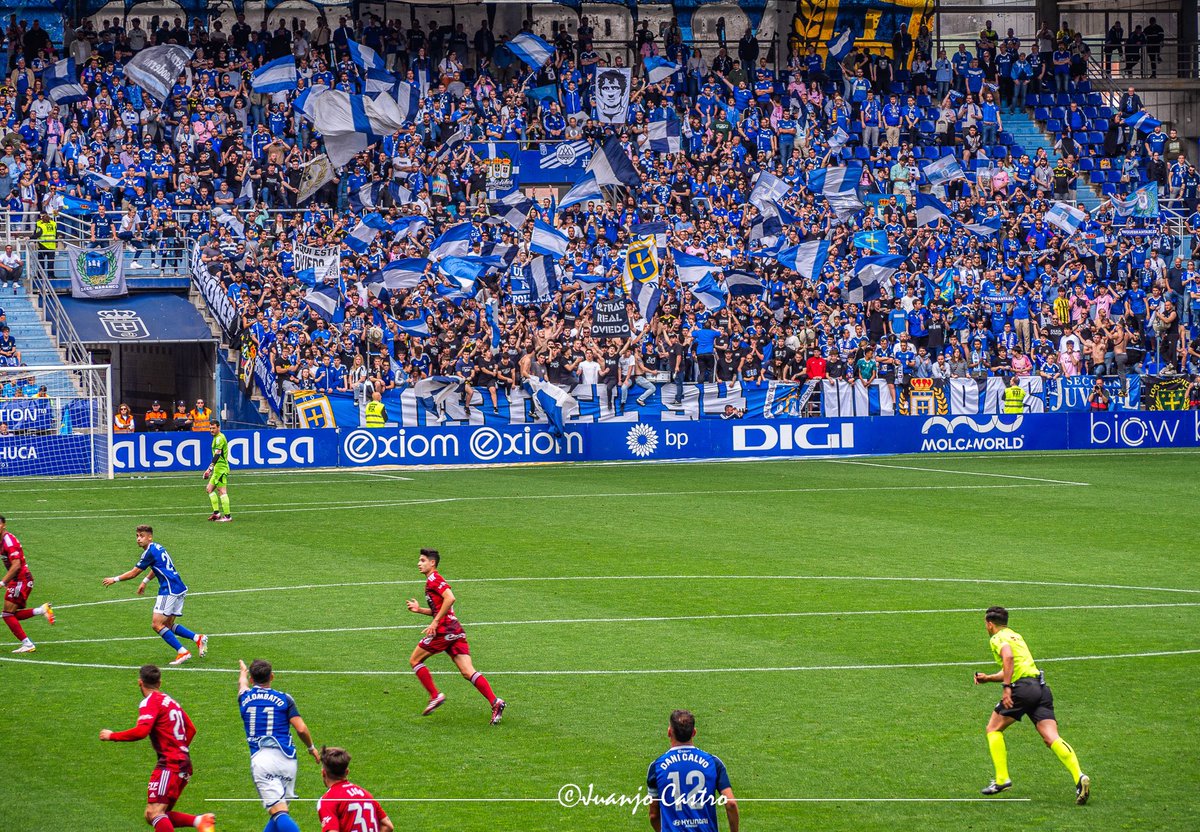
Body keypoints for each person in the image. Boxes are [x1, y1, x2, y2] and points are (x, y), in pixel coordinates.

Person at [974, 606, 1090, 804]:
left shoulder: (997, 638)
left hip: (1023, 689)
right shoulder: (1015, 635)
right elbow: (1013, 666)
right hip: (1040, 687)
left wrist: (1007, 688)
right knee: (1051, 737)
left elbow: (1008, 658)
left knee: (993, 728)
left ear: (990, 624)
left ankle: (1002, 780)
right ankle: (1079, 777)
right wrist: (989, 678)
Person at [98, 664, 216, 832]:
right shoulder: (171, 701)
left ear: (140, 682)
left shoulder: (150, 702)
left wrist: (112, 736)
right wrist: (179, 749)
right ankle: (200, 821)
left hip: (171, 763)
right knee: (156, 814)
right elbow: (191, 729)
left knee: (155, 813)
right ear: (159, 683)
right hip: (182, 762)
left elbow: (141, 731)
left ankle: (201, 821)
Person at [405, 548, 506, 724]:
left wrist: (435, 622)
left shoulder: (434, 579)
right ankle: (495, 702)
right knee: (468, 672)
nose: (419, 563)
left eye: (422, 560)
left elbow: (450, 598)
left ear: (432, 563)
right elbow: (441, 608)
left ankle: (435, 696)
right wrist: (420, 610)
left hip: (444, 631)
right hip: (455, 629)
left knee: (415, 660)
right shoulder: (432, 581)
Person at [101, 525, 208, 666]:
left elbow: (133, 573)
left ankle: (182, 652)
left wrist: (114, 579)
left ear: (149, 537)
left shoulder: (148, 553)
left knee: (157, 624)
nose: (138, 539)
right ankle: (197, 638)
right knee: (168, 624)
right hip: (179, 587)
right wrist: (145, 581)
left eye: (142, 536)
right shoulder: (158, 547)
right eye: (137, 536)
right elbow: (158, 567)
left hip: (168, 590)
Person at [238, 658, 321, 832]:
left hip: (263, 760)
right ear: (272, 677)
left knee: (278, 812)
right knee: (278, 811)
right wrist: (311, 748)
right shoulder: (285, 699)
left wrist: (242, 672)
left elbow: (242, 685)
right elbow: (301, 728)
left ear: (252, 679)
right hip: (288, 760)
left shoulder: (244, 698)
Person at [646, 709, 739, 832]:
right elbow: (731, 803)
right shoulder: (713, 763)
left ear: (669, 732)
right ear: (694, 732)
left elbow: (654, 815)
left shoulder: (656, 767)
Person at [0, 515, 54, 653]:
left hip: (21, 579)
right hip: (18, 580)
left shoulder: (8, 541)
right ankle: (42, 610)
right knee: (10, 614)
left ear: (4, 525)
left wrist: (3, 581)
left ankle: (28, 644)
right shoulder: (3, 540)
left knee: (7, 614)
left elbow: (16, 565)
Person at [317, 746, 394, 832]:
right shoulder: (366, 795)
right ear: (347, 772)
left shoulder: (328, 800)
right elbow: (388, 825)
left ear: (323, 773)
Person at [205, 419, 232, 522]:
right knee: (209, 489)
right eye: (210, 428)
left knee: (222, 491)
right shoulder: (216, 438)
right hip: (217, 469)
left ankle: (228, 516)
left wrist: (210, 468)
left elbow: (217, 454)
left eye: (213, 428)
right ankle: (216, 513)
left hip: (221, 469)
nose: (211, 430)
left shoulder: (219, 438)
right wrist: (210, 469)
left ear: (218, 428)